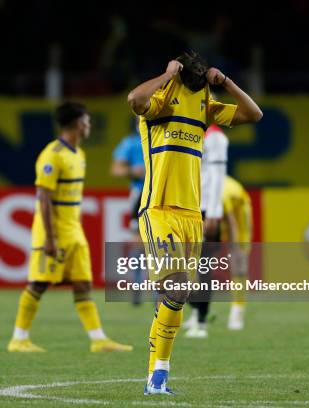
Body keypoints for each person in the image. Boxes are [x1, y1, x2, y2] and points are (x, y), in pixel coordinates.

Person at [127, 51, 263, 395]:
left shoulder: (204, 105)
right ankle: (159, 375)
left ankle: (154, 379)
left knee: (169, 297)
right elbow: (134, 98)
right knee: (177, 289)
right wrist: (166, 74)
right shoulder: (159, 104)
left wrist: (227, 82)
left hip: (191, 213)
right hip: (159, 208)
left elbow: (254, 113)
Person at [8, 102, 133, 353]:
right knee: (39, 284)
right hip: (53, 231)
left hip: (74, 230)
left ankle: (98, 339)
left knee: (83, 284)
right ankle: (18, 339)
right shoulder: (52, 155)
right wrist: (51, 239)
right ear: (77, 124)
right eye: (86, 122)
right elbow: (43, 198)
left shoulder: (78, 154)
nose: (88, 126)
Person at [184, 124, 229, 338]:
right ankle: (195, 313)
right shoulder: (194, 130)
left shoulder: (215, 137)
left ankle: (201, 321)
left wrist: (213, 212)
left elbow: (218, 176)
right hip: (190, 207)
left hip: (206, 211)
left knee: (202, 268)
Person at [110, 125, 146, 305]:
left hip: (163, 193)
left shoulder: (166, 137)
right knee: (138, 241)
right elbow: (116, 169)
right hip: (139, 196)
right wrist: (133, 171)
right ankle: (138, 285)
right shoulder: (131, 143)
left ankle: (158, 289)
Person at [221, 175, 252, 331]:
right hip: (219, 218)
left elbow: (232, 222)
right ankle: (197, 312)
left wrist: (235, 248)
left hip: (239, 213)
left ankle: (237, 309)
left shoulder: (221, 192)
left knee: (239, 263)